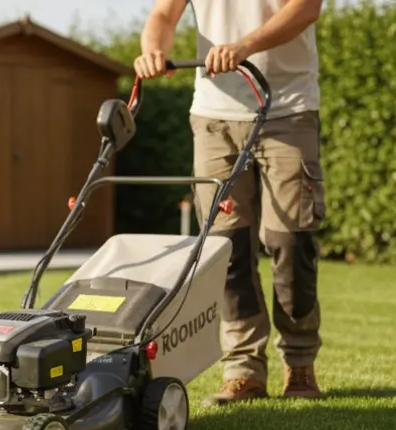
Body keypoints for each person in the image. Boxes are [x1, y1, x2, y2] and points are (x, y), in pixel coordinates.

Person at [135, 0, 327, 406]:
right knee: (226, 248)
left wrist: (245, 46)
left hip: (288, 108)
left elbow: (307, 7)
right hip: (214, 117)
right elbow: (163, 16)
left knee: (292, 241)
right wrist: (154, 50)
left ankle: (299, 361)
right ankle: (243, 370)